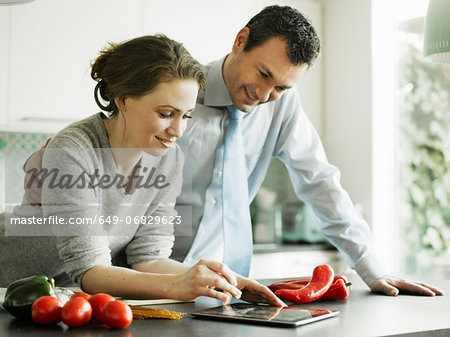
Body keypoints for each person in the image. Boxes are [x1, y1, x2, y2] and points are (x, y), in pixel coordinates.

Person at [23, 6, 443, 297]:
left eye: (280, 87)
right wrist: (52, 162)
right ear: (241, 40)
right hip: (68, 280)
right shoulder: (161, 98)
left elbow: (320, 182)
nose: (264, 95)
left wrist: (231, 281)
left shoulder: (176, 148)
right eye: (263, 75)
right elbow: (89, 260)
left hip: (160, 283)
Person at [0, 34, 284, 307]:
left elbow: (148, 256)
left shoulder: (168, 159)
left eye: (186, 116)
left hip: (68, 298)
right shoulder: (75, 149)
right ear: (123, 100)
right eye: (165, 114)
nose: (178, 130)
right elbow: (91, 270)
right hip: (12, 288)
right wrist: (177, 285)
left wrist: (226, 281)